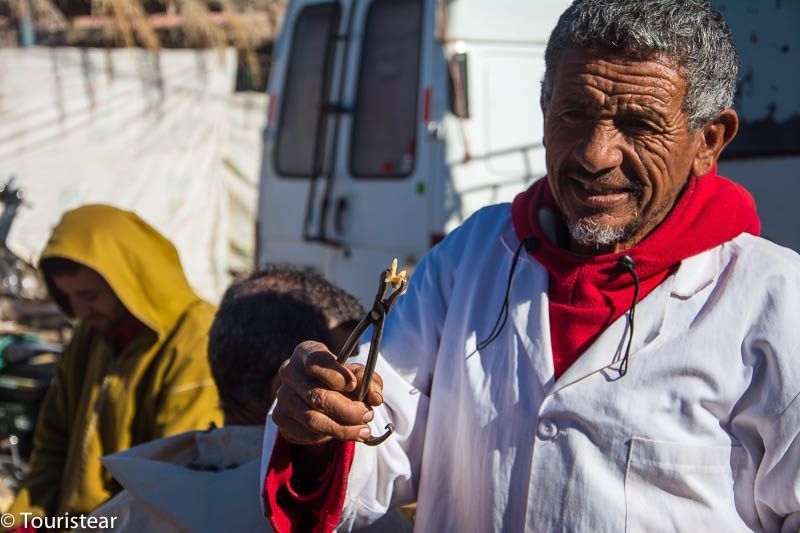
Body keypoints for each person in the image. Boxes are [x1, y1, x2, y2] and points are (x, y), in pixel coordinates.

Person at [261, 1, 800, 531]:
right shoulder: (468, 258)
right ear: (544, 113)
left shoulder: (774, 301)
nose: (596, 154)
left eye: (637, 125)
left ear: (709, 140)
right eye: (574, 114)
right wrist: (321, 423)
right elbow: (380, 437)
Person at [83, 265, 411, 532]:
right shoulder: (359, 520)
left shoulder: (125, 510)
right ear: (289, 393)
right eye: (347, 375)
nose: (361, 387)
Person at [7, 204, 223, 525]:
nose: (79, 310)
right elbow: (53, 443)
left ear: (129, 280)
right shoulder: (92, 336)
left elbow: (174, 478)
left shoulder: (194, 338)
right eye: (69, 297)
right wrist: (26, 520)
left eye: (89, 294)